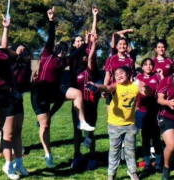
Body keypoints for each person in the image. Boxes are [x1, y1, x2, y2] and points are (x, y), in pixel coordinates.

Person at [30, 7, 94, 168]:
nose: (63, 52)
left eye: (65, 50)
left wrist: (87, 43)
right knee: (45, 125)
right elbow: (51, 38)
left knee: (77, 93)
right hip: (40, 93)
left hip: (53, 92)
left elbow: (76, 53)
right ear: (55, 49)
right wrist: (51, 21)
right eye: (60, 49)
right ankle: (48, 153)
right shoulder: (47, 55)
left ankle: (81, 122)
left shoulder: (63, 62)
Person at [88, 66, 151, 180]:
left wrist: (145, 86)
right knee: (114, 151)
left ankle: (132, 171)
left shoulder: (134, 86)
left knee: (131, 150)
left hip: (130, 124)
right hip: (115, 124)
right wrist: (97, 86)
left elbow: (148, 93)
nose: (119, 76)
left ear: (128, 74)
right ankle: (111, 174)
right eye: (116, 74)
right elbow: (107, 88)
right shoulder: (115, 86)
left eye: (121, 73)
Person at [68, 8, 100, 170]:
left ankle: (92, 156)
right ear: (74, 45)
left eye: (83, 41)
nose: (81, 43)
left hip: (91, 101)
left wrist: (94, 17)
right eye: (78, 41)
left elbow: (92, 42)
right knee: (77, 130)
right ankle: (77, 155)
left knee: (91, 130)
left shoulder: (89, 64)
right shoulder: (72, 62)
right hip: (77, 103)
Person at [2, 44, 32, 178]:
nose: (22, 51)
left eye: (25, 50)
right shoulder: (9, 63)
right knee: (8, 134)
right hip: (6, 100)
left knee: (18, 132)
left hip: (18, 100)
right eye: (19, 49)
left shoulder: (26, 66)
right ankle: (8, 165)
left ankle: (19, 163)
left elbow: (24, 85)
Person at [0, 14, 22, 180]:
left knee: (7, 133)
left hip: (6, 95)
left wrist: (6, 28)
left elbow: (4, 48)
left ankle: (9, 165)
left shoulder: (2, 53)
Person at [135, 58, 163, 173]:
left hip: (155, 111)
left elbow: (161, 90)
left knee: (156, 138)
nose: (148, 66)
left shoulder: (157, 77)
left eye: (150, 64)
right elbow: (136, 92)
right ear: (142, 67)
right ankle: (147, 163)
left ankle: (158, 163)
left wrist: (161, 77)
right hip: (142, 111)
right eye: (146, 64)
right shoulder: (138, 78)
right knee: (145, 138)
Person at [102, 37, 135, 115]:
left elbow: (131, 77)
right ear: (116, 46)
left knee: (125, 116)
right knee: (111, 116)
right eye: (120, 44)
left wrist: (131, 90)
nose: (122, 46)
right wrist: (104, 89)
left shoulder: (130, 60)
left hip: (125, 92)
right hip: (112, 90)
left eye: (124, 44)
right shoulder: (111, 59)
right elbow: (107, 76)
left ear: (127, 46)